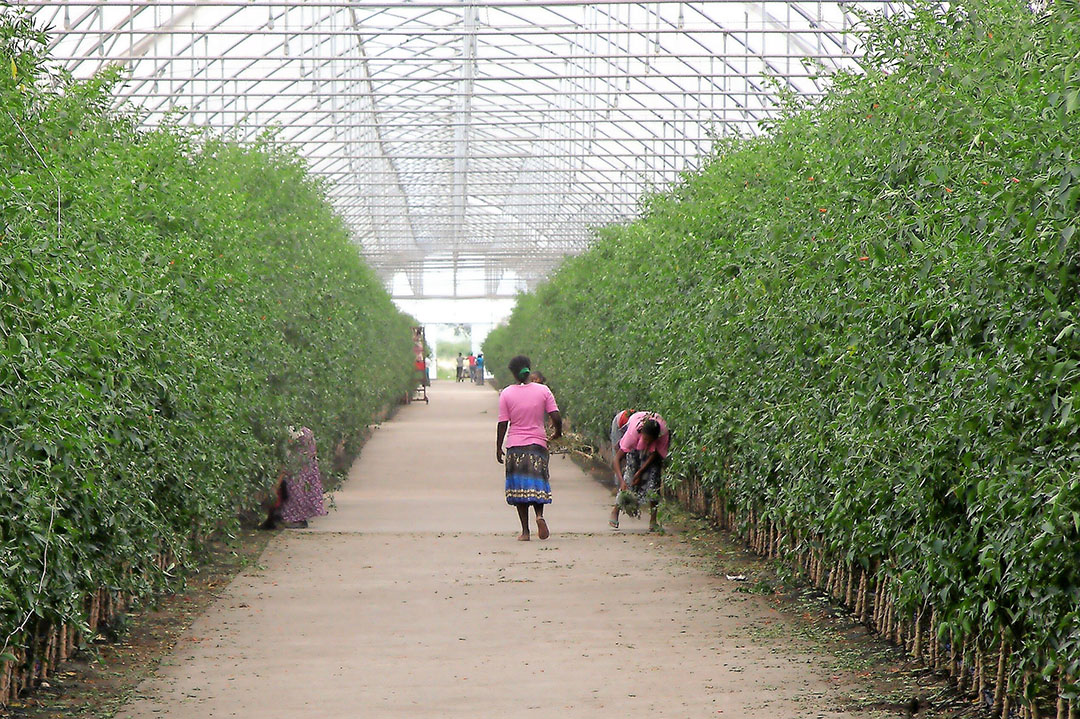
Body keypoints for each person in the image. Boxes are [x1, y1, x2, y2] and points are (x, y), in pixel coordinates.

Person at [496, 355, 562, 541]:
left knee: (519, 488)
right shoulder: (543, 390)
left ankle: (525, 531)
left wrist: (498, 446)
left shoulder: (507, 393)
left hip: (515, 445)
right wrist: (558, 433)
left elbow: (502, 423)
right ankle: (539, 516)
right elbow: (555, 415)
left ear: (513, 373)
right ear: (528, 369)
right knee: (537, 483)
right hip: (537, 444)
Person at [610, 411, 669, 532]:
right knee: (629, 476)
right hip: (635, 435)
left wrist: (641, 472)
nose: (647, 443)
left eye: (650, 441)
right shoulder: (633, 434)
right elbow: (616, 459)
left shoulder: (663, 434)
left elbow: (656, 454)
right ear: (641, 434)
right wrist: (622, 481)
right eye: (646, 440)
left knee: (654, 480)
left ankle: (653, 520)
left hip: (655, 445)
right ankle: (615, 510)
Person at [262, 426, 328, 529]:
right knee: (299, 491)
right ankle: (297, 518)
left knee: (295, 491)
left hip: (299, 468)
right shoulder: (304, 432)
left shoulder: (296, 434)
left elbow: (289, 458)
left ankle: (294, 518)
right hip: (304, 467)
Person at [608, 409, 635, 491]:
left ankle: (629, 484)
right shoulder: (629, 428)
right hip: (618, 423)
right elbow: (617, 448)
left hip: (630, 427)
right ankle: (619, 486)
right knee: (618, 456)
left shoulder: (638, 430)